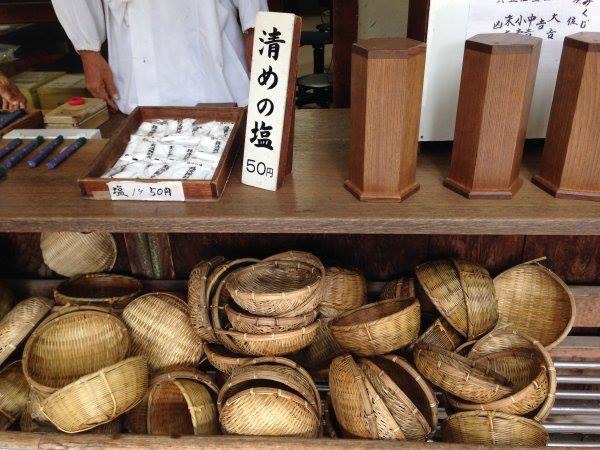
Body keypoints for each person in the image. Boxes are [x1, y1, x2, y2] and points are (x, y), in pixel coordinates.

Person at [51, 0, 268, 114]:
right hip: (136, 53)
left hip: (211, 31)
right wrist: (87, 48)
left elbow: (256, 23)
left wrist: (255, 24)